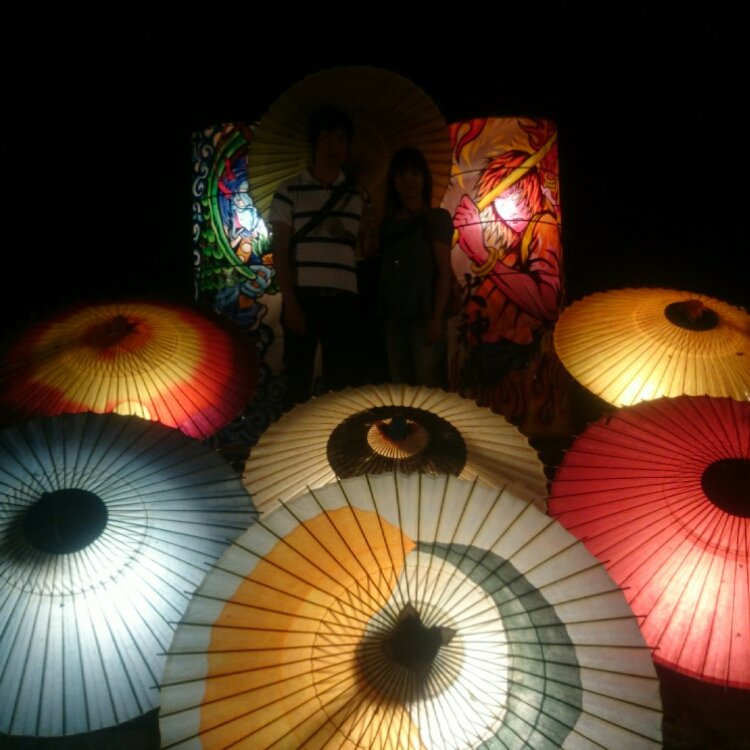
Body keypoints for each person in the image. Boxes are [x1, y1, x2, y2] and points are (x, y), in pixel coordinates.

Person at [269, 104, 375, 408]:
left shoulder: (359, 194)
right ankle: (294, 438)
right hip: (304, 296)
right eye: (327, 137)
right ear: (314, 142)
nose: (333, 146)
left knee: (341, 386)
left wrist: (371, 229)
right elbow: (280, 252)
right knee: (297, 383)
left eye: (341, 139)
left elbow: (367, 251)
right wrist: (291, 303)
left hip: (344, 298)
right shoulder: (289, 190)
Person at [377, 146, 454, 388]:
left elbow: (444, 272)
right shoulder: (386, 224)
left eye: (414, 173)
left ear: (423, 178)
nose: (408, 180)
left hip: (424, 316)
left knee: (429, 387)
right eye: (401, 174)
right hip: (393, 318)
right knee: (402, 390)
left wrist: (436, 319)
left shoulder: (436, 218)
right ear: (393, 181)